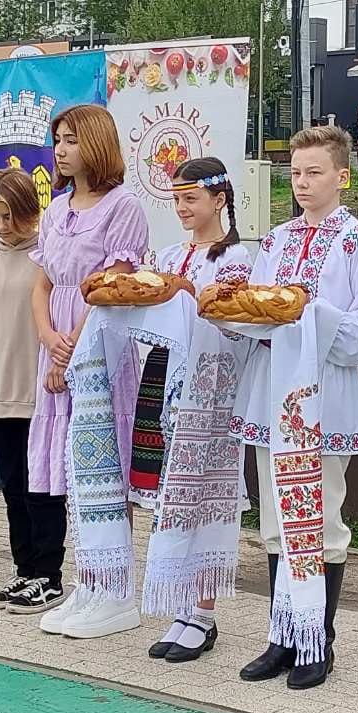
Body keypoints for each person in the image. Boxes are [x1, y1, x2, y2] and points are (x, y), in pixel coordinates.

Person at [234, 124, 358, 690]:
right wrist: (254, 314)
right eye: (295, 173)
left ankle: (316, 638)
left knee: (320, 518)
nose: (302, 182)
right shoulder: (276, 240)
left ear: (341, 176)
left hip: (324, 395)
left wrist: (314, 317)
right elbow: (253, 306)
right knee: (276, 519)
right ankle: (283, 635)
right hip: (275, 392)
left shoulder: (356, 242)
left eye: (314, 172)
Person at [32, 104, 149, 635]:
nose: (60, 150)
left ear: (96, 144)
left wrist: (72, 349)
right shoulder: (56, 208)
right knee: (74, 471)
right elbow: (41, 284)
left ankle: (116, 588)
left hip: (100, 345)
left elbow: (112, 287)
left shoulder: (123, 206)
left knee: (105, 467)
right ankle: (89, 582)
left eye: (71, 140)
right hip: (58, 341)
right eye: (57, 139)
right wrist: (49, 339)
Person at [140, 156, 253, 664]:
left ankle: (203, 614)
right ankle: (181, 606)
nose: (182, 208)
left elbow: (237, 322)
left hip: (211, 388)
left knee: (206, 499)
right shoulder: (168, 255)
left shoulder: (236, 259)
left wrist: (190, 296)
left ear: (219, 199)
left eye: (191, 198)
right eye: (178, 199)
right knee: (173, 498)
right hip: (167, 381)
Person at [0, 169, 60, 612]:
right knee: (13, 488)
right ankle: (24, 568)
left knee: (42, 488)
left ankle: (48, 574)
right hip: (0, 390)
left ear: (29, 210)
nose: (4, 227)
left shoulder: (48, 255)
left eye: (10, 217)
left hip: (39, 390)